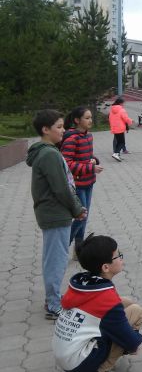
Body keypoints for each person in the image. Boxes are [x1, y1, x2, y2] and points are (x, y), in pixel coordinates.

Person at [52, 234, 142, 372]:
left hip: (67, 356)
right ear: (106, 267)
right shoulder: (107, 300)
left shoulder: (82, 283)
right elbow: (128, 339)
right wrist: (135, 342)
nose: (121, 258)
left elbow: (104, 307)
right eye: (118, 256)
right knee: (134, 315)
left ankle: (83, 370)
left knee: (128, 304)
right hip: (78, 361)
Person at [26, 110, 86, 320]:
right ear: (45, 129)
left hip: (53, 212)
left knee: (54, 257)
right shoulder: (49, 154)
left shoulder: (47, 151)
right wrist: (77, 209)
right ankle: (53, 304)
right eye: (59, 127)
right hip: (55, 213)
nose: (63, 131)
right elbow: (61, 188)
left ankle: (53, 297)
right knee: (56, 260)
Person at [61, 106, 104, 256]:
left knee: (84, 217)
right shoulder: (71, 138)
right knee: (81, 216)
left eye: (91, 117)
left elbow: (87, 156)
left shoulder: (88, 136)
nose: (90, 120)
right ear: (77, 120)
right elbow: (66, 164)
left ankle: (79, 250)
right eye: (87, 118)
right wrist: (90, 167)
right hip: (77, 184)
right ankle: (63, 246)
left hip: (89, 182)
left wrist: (94, 160)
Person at [108, 97, 133, 162]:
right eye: (123, 103)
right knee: (122, 142)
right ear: (120, 103)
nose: (124, 104)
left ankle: (117, 155)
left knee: (118, 142)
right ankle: (116, 153)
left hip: (114, 128)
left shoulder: (112, 110)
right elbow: (126, 118)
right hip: (120, 128)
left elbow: (109, 118)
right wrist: (131, 121)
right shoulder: (122, 110)